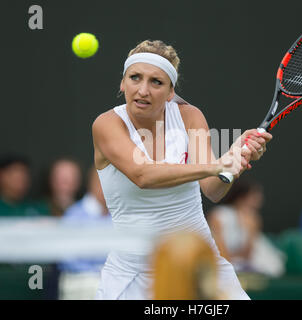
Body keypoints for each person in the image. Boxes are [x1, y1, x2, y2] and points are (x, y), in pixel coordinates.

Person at [92, 39, 272, 300]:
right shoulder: (107, 124)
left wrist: (236, 161)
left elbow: (213, 189)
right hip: (133, 274)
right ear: (122, 83)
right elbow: (143, 175)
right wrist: (216, 164)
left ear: (170, 92)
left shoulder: (189, 116)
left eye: (156, 82)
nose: (143, 90)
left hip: (199, 265)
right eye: (135, 78)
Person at [207, 179, 285, 277]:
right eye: (254, 195)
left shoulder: (254, 218)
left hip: (243, 264)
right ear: (241, 197)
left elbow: (248, 254)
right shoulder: (218, 216)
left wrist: (250, 229)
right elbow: (220, 252)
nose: (259, 199)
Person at [58, 166, 111, 300]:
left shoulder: (120, 215)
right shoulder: (74, 215)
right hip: (81, 278)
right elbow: (67, 258)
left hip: (113, 276)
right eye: (105, 182)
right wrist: (97, 272)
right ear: (93, 183)